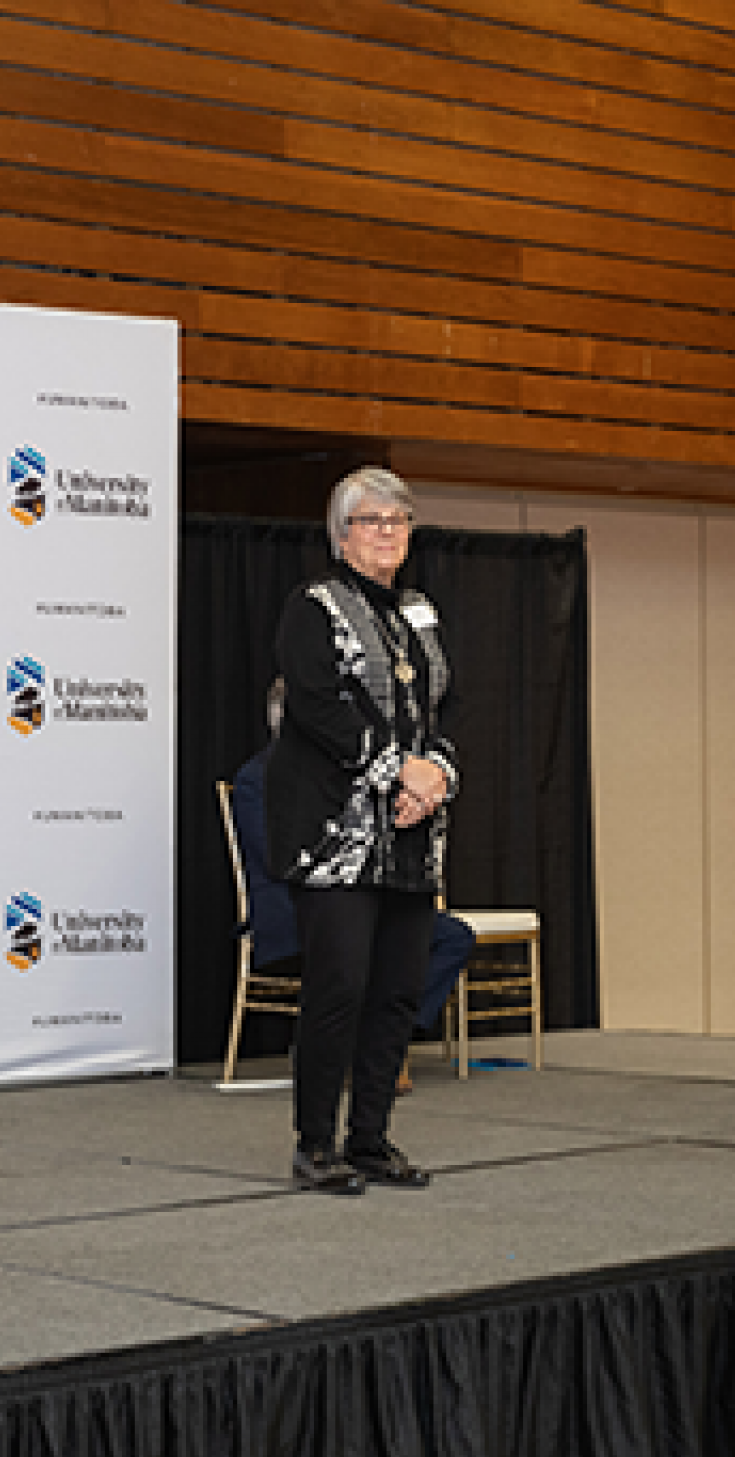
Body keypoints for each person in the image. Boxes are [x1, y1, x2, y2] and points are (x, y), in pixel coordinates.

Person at [265, 467, 458, 1191]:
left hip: (411, 832)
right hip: (333, 835)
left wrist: (436, 773)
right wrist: (397, 771)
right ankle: (316, 1144)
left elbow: (447, 706)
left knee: (397, 991)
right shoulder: (313, 605)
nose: (388, 532)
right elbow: (315, 705)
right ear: (342, 534)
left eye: (399, 520)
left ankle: (371, 1138)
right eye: (372, 520)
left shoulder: (420, 610)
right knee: (339, 986)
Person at [230, 733, 475, 1091]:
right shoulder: (258, 776)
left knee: (452, 937)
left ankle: (381, 1040)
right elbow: (277, 856)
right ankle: (356, 1047)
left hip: (365, 895)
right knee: (354, 935)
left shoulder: (356, 773)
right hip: (295, 907)